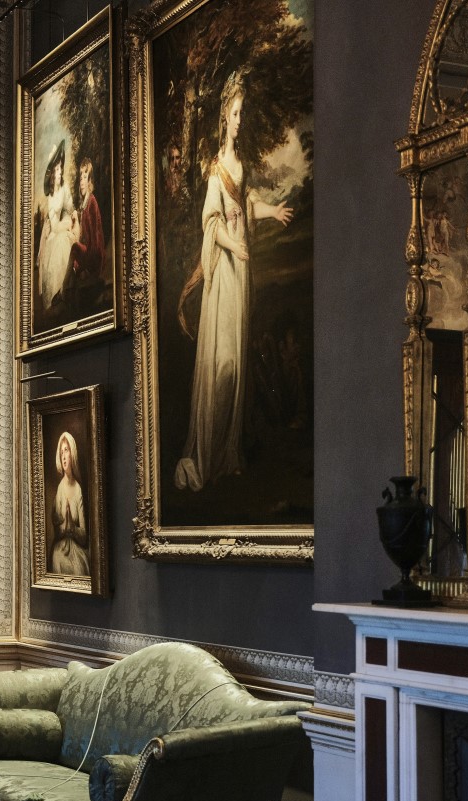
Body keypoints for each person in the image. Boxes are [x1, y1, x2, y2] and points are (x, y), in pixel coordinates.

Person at [173, 73, 293, 492]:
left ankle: (227, 456)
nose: (241, 121)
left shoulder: (240, 166)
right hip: (224, 271)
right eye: (236, 113)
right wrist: (232, 245)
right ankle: (204, 454)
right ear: (225, 116)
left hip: (242, 271)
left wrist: (272, 211)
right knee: (222, 364)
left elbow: (246, 204)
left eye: (243, 113)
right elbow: (210, 221)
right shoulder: (215, 169)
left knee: (238, 362)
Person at [37, 141, 77, 314]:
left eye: (61, 168)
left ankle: (64, 289)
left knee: (65, 240)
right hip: (54, 231)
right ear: (52, 175)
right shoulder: (51, 198)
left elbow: (69, 208)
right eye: (57, 170)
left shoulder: (65, 189)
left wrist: (72, 217)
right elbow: (53, 225)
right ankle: (56, 293)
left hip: (64, 225)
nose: (60, 172)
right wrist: (61, 227)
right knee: (57, 244)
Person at [50, 431, 90, 576]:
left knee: (79, 565)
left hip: (76, 547)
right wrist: (63, 525)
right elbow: (58, 533)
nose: (64, 456)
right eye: (61, 453)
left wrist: (72, 527)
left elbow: (84, 536)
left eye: (66, 450)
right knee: (57, 558)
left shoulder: (78, 489)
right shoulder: (60, 488)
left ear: (72, 453)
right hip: (61, 547)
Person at [68, 157, 106, 286]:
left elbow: (95, 241)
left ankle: (66, 286)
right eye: (80, 178)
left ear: (90, 180)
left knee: (74, 248)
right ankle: (68, 286)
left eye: (85, 177)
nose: (82, 182)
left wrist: (87, 267)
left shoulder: (92, 203)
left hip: (94, 256)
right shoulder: (84, 205)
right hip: (88, 251)